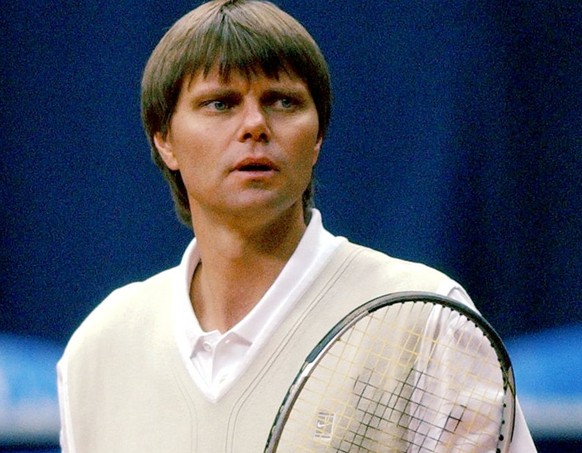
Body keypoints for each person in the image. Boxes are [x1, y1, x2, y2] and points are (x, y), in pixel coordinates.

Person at [57, 0, 537, 451]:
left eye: (283, 102)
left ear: (317, 139)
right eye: (220, 103)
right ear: (165, 140)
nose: (255, 125)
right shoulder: (99, 349)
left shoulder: (428, 322)